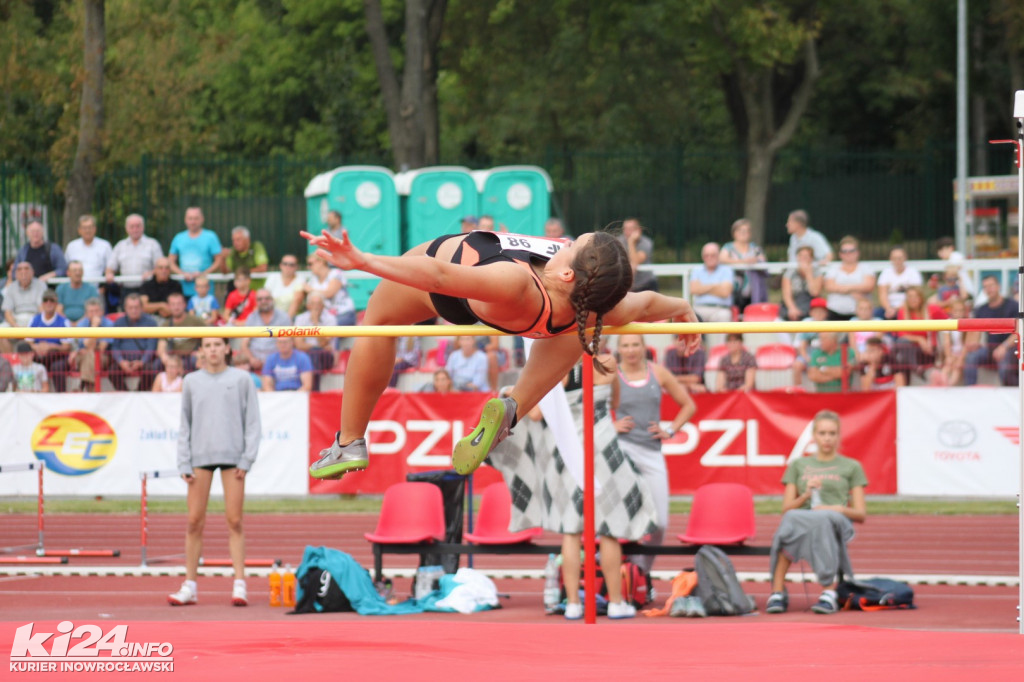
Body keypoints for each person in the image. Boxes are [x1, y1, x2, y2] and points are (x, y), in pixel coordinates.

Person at [301, 227, 700, 480]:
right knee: (584, 325)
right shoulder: (601, 303)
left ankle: (350, 439)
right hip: (543, 318)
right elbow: (646, 303)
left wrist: (363, 261)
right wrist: (683, 307)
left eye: (570, 245)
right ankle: (514, 407)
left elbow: (438, 275)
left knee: (377, 324)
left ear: (566, 272)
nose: (563, 243)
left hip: (457, 281)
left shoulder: (516, 282)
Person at [489, 355, 660, 620]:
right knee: (609, 530)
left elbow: (534, 414)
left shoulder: (554, 367)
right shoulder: (607, 362)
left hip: (566, 453)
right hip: (602, 450)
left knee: (571, 530)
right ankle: (615, 603)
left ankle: (572, 604)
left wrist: (510, 392)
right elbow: (614, 402)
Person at [169, 336, 261, 607]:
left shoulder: (242, 380)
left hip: (233, 457)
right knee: (194, 521)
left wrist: (247, 458)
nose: (213, 350)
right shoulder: (191, 381)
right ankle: (190, 585)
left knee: (235, 520)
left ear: (227, 349)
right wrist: (183, 461)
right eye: (208, 346)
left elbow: (253, 421)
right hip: (200, 456)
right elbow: (184, 422)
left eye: (217, 345)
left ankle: (240, 583)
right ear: (201, 351)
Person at [766, 410, 867, 615]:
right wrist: (805, 495)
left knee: (820, 521)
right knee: (791, 519)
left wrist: (834, 508)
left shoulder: (852, 466)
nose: (827, 438)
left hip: (836, 520)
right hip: (802, 518)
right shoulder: (799, 465)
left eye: (832, 433)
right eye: (822, 433)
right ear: (814, 435)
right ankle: (777, 591)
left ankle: (828, 591)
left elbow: (860, 514)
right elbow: (786, 508)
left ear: (839, 436)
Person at [613, 334, 696, 573]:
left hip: (651, 451)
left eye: (635, 344)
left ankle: (642, 572)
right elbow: (588, 406)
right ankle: (619, 575)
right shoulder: (611, 375)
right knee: (622, 518)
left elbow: (689, 405)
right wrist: (611, 426)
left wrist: (669, 430)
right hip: (622, 451)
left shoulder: (658, 372)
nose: (630, 350)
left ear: (644, 347)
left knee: (660, 523)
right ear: (618, 349)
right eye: (625, 345)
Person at [964, 275, 1018, 386]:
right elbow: (975, 332)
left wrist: (1004, 346)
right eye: (985, 287)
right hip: (990, 350)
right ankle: (969, 392)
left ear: (998, 286)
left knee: (1005, 364)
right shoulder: (981, 309)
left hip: (1010, 349)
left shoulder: (1013, 305)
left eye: (991, 285)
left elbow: (1019, 331)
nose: (989, 289)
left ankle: (1008, 398)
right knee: (971, 357)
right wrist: (973, 344)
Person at [105, 213, 165, 300]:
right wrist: (109, 274)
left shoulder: (153, 244)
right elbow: (110, 267)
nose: (135, 229)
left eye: (138, 226)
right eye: (132, 226)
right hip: (126, 290)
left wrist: (152, 273)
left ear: (143, 227)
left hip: (147, 289)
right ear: (126, 228)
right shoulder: (120, 246)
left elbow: (162, 266)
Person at [892, 286, 945, 383]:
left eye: (915, 296)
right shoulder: (903, 311)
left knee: (900, 355)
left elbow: (948, 322)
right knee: (900, 347)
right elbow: (902, 334)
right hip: (912, 350)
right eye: (910, 297)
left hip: (929, 350)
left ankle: (909, 379)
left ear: (921, 298)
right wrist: (920, 339)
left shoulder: (932, 309)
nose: (913, 300)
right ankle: (916, 370)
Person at [169, 206, 224, 297]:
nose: (193, 222)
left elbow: (218, 260)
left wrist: (203, 274)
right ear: (185, 220)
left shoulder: (211, 237)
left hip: (205, 290)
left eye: (196, 218)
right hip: (183, 289)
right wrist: (182, 274)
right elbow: (170, 261)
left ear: (202, 219)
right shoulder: (178, 238)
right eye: (190, 218)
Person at [109, 293, 160, 391]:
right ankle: (125, 395)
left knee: (151, 369)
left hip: (144, 361)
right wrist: (121, 361)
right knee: (112, 370)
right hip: (124, 361)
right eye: (130, 307)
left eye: (136, 307)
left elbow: (151, 346)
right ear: (125, 308)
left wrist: (142, 361)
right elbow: (115, 346)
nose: (134, 310)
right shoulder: (119, 323)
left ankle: (139, 395)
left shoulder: (151, 322)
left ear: (141, 308)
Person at [823, 236, 875, 321]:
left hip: (860, 315)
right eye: (844, 251)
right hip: (835, 313)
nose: (848, 254)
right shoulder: (833, 269)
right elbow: (829, 286)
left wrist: (843, 288)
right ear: (840, 254)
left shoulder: (866, 268)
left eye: (851, 251)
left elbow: (869, 286)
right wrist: (854, 289)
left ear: (857, 252)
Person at [293, 291, 338, 390]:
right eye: (313, 304)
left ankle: (313, 390)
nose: (316, 307)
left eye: (319, 304)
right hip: (307, 354)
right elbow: (299, 345)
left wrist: (315, 322)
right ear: (308, 306)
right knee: (312, 354)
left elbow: (323, 342)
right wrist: (317, 346)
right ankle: (312, 389)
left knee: (316, 354)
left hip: (325, 356)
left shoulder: (331, 319)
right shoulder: (300, 318)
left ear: (323, 306)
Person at [29, 290, 72, 392]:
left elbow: (67, 347)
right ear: (42, 304)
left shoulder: (63, 321)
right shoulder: (34, 319)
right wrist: (38, 347)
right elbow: (28, 343)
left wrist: (51, 346)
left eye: (51, 300)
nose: (48, 303)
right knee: (32, 363)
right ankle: (32, 395)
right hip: (39, 356)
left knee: (57, 367)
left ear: (56, 304)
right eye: (45, 300)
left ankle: (60, 397)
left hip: (58, 357)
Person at [720, 218, 767, 309]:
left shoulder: (754, 248)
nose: (744, 233)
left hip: (752, 288)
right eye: (741, 231)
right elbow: (722, 260)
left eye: (747, 231)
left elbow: (763, 260)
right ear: (734, 233)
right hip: (733, 289)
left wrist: (755, 260)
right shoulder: (728, 247)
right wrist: (744, 262)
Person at [68, 297, 113, 391]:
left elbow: (101, 348)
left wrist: (94, 327)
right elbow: (86, 345)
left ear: (102, 312)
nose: (94, 314)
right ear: (86, 313)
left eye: (96, 311)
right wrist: (94, 327)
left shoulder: (109, 324)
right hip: (82, 357)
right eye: (91, 311)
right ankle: (91, 389)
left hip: (102, 357)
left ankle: (83, 386)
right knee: (89, 355)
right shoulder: (81, 324)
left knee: (91, 355)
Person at [241, 289, 292, 372]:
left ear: (272, 300)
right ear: (256, 302)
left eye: (267, 298)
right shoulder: (251, 317)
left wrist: (270, 361)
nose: (263, 301)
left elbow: (288, 343)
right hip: (254, 364)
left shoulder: (283, 317)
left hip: (279, 363)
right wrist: (251, 359)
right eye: (260, 299)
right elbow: (244, 344)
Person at [157, 291, 206, 372]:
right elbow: (161, 345)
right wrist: (164, 357)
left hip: (191, 356)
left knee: (196, 362)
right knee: (156, 365)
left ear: (184, 305)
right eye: (173, 304)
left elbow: (209, 337)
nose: (176, 307)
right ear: (168, 306)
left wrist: (201, 352)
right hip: (173, 357)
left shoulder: (195, 320)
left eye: (179, 304)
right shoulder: (166, 325)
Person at [303, 254, 356, 326]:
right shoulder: (313, 279)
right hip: (324, 316)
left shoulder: (336, 273)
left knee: (329, 331)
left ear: (321, 262)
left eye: (310, 264)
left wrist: (310, 290)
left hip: (343, 314)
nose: (308, 267)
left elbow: (329, 293)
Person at [876, 246, 923, 320]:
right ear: (890, 259)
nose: (897, 261)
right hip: (888, 308)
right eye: (895, 258)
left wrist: (896, 309)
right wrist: (889, 308)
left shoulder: (913, 273)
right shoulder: (886, 273)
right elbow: (882, 294)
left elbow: (916, 296)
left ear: (905, 258)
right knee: (876, 314)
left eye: (900, 258)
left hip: (908, 307)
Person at [63, 214, 112, 282]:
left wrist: (103, 287)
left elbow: (110, 268)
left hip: (96, 289)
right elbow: (66, 268)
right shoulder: (71, 246)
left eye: (90, 227)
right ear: (79, 230)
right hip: (76, 288)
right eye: (84, 228)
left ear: (95, 229)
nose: (87, 230)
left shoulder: (105, 246)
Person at [780, 245, 823, 321]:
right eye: (801, 256)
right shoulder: (790, 273)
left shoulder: (817, 273)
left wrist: (808, 274)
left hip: (810, 307)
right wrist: (792, 308)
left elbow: (815, 292)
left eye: (806, 256)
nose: (803, 259)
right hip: (792, 305)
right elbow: (786, 294)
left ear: (811, 258)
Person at [2, 261, 47, 328]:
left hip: (35, 320)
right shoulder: (11, 287)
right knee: (2, 330)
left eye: (26, 268)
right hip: (16, 320)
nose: (23, 272)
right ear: (16, 274)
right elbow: (7, 312)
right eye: (20, 269)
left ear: (32, 272)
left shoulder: (40, 285)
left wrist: (36, 324)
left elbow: (42, 309)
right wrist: (15, 326)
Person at [619, 217, 658, 292]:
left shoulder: (646, 243)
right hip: (627, 286)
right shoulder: (619, 241)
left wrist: (631, 242)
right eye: (625, 229)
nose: (627, 232)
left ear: (638, 230)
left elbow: (636, 261)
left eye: (630, 229)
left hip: (646, 285)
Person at [937, 297, 968, 387]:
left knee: (956, 368)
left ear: (964, 311)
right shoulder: (948, 322)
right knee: (947, 366)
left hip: (963, 353)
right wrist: (949, 357)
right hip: (951, 352)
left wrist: (961, 358)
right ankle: (944, 385)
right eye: (956, 310)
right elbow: (946, 343)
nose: (958, 313)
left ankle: (949, 386)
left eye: (961, 310)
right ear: (951, 311)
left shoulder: (967, 322)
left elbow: (967, 344)